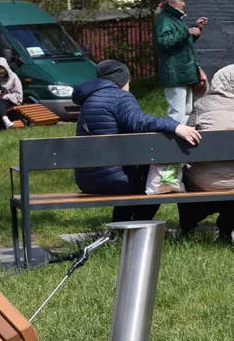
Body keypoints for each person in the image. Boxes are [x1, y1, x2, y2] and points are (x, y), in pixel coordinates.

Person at [72, 60, 201, 223]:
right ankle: (137, 226)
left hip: (87, 179)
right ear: (122, 80)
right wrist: (175, 126)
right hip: (112, 180)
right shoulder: (119, 96)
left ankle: (119, 229)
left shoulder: (89, 99)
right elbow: (139, 121)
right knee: (159, 181)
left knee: (136, 176)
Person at [180, 64, 234, 241]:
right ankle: (226, 230)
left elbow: (186, 135)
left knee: (185, 176)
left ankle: (187, 229)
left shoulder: (201, 105)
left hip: (202, 182)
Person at [155, 0, 208, 124]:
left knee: (187, 111)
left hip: (183, 74)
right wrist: (187, 31)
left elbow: (184, 45)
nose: (184, 4)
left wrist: (196, 29)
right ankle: (174, 142)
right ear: (171, 2)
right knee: (177, 112)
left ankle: (185, 139)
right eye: (181, 1)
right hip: (176, 74)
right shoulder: (163, 20)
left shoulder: (176, 20)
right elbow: (164, 42)